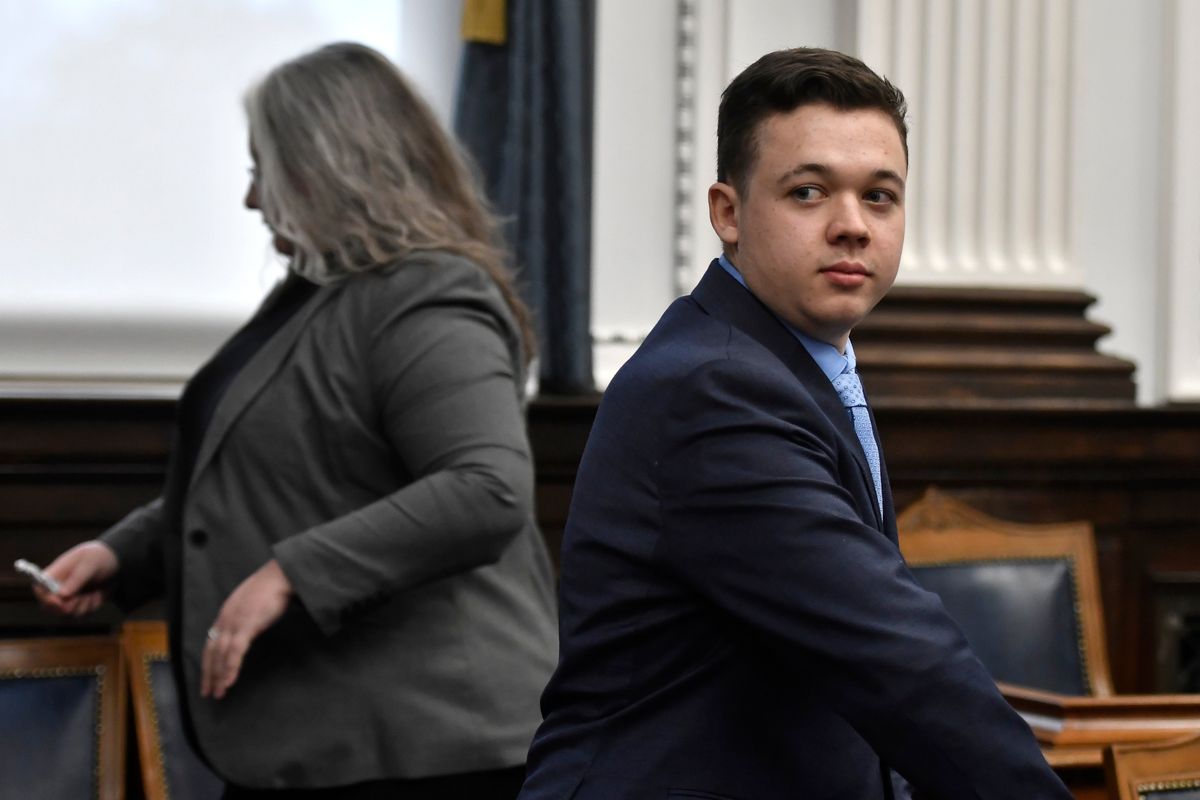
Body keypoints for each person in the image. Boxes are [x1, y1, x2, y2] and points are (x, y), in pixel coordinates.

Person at [519, 48, 1072, 799]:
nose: (852, 226)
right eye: (809, 192)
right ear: (728, 212)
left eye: (880, 197)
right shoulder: (713, 389)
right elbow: (892, 655)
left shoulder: (789, 361)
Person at [34, 42, 557, 799]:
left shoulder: (427, 295)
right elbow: (275, 472)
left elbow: (486, 491)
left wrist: (289, 575)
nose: (252, 199)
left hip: (433, 751)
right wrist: (124, 554)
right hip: (327, 744)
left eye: (262, 169)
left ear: (328, 167)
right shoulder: (317, 294)